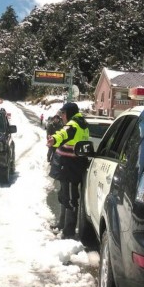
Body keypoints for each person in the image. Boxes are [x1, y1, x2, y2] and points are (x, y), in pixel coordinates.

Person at [47, 102, 89, 239]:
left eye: (63, 113)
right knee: (64, 196)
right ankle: (62, 224)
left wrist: (54, 139)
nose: (62, 116)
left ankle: (68, 231)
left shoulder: (74, 125)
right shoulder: (79, 123)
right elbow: (64, 135)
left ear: (69, 113)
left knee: (70, 199)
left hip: (71, 168)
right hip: (70, 167)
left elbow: (64, 134)